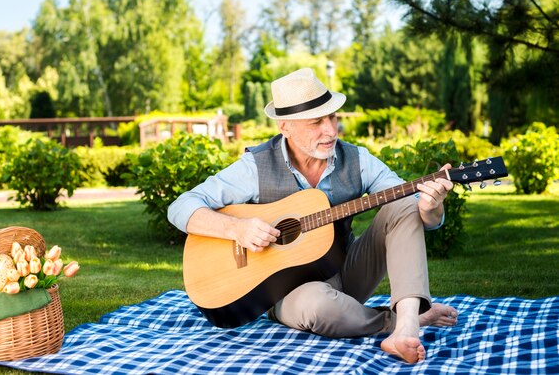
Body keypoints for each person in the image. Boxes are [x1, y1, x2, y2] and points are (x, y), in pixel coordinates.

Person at [167, 67, 458, 364]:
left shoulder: (357, 160)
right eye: (317, 122)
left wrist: (431, 209)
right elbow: (180, 207)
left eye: (333, 117)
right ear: (285, 126)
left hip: (347, 271)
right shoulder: (255, 166)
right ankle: (396, 323)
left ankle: (407, 326)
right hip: (287, 293)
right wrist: (236, 228)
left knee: (403, 202)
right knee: (317, 305)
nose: (331, 130)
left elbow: (414, 215)